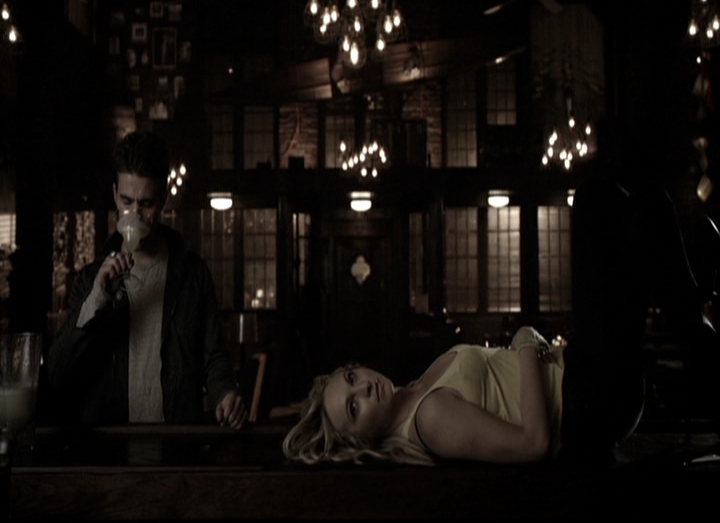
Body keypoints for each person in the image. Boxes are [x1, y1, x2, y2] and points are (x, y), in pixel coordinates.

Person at [282, 175, 720, 466]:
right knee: (623, 205)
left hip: (584, 374)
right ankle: (698, 334)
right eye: (354, 407)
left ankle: (695, 315)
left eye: (352, 377)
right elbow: (534, 443)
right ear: (357, 441)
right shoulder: (428, 418)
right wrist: (526, 341)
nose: (364, 388)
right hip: (589, 401)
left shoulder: (416, 391)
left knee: (607, 201)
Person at [47, 130, 247, 429]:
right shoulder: (90, 280)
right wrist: (97, 298)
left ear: (163, 198)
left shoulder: (192, 275)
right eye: (127, 201)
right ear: (115, 195)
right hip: (110, 447)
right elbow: (57, 375)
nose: (135, 215)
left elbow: (213, 355)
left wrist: (225, 392)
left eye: (146, 204)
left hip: (176, 443)